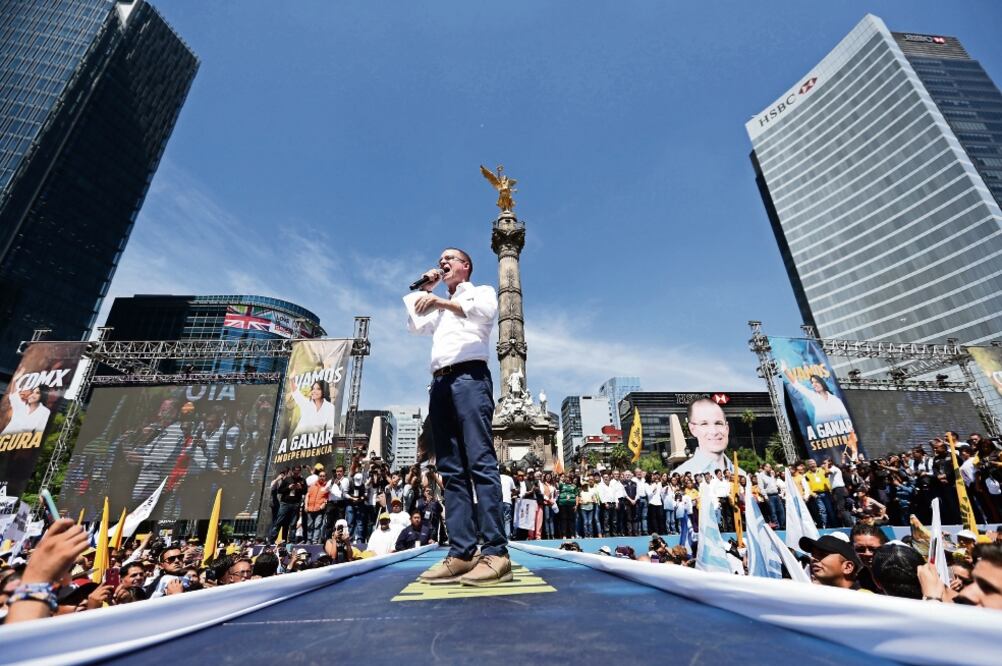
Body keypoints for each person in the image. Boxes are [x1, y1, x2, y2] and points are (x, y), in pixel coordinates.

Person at [407, 248, 510, 586]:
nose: (442, 261)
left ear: (466, 266)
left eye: (449, 258)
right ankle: (463, 552)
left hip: (470, 379)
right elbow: (415, 325)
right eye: (439, 259)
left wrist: (438, 302)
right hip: (440, 382)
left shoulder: (480, 292)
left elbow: (482, 313)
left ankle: (495, 552)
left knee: (480, 461)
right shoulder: (438, 301)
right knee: (450, 469)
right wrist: (428, 290)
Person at [674, 399, 742, 476]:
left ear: (727, 428)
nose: (714, 431)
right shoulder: (683, 474)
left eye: (718, 423)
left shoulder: (742, 474)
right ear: (692, 429)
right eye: (704, 424)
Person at [800, 533, 864, 590]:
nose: (812, 558)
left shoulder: (865, 599)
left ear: (847, 567)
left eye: (822, 554)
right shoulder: (813, 598)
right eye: (812, 554)